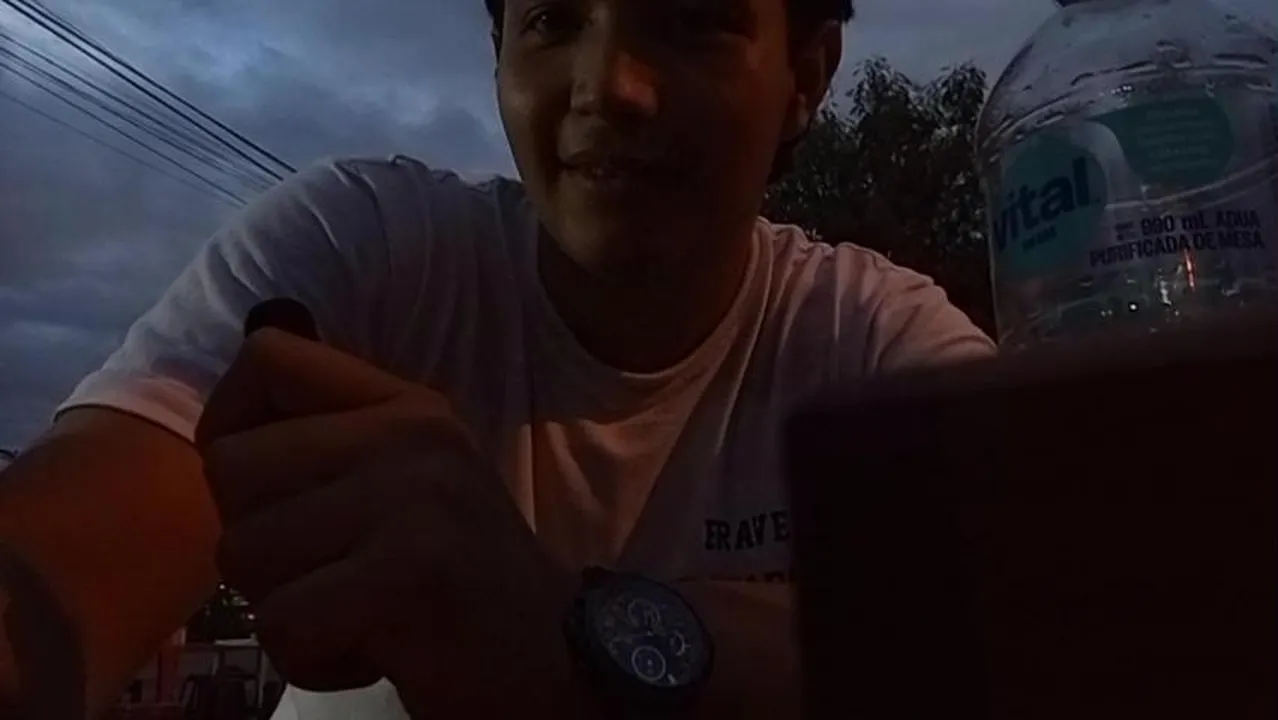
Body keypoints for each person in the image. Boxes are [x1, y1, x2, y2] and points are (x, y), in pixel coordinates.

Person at [0, 0, 995, 718]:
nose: (609, 87)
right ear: (498, 56)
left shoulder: (869, 338)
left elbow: (1038, 625)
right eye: (553, 20)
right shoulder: (364, 252)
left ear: (806, 76)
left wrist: (562, 629)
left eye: (692, 21)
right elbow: (54, 584)